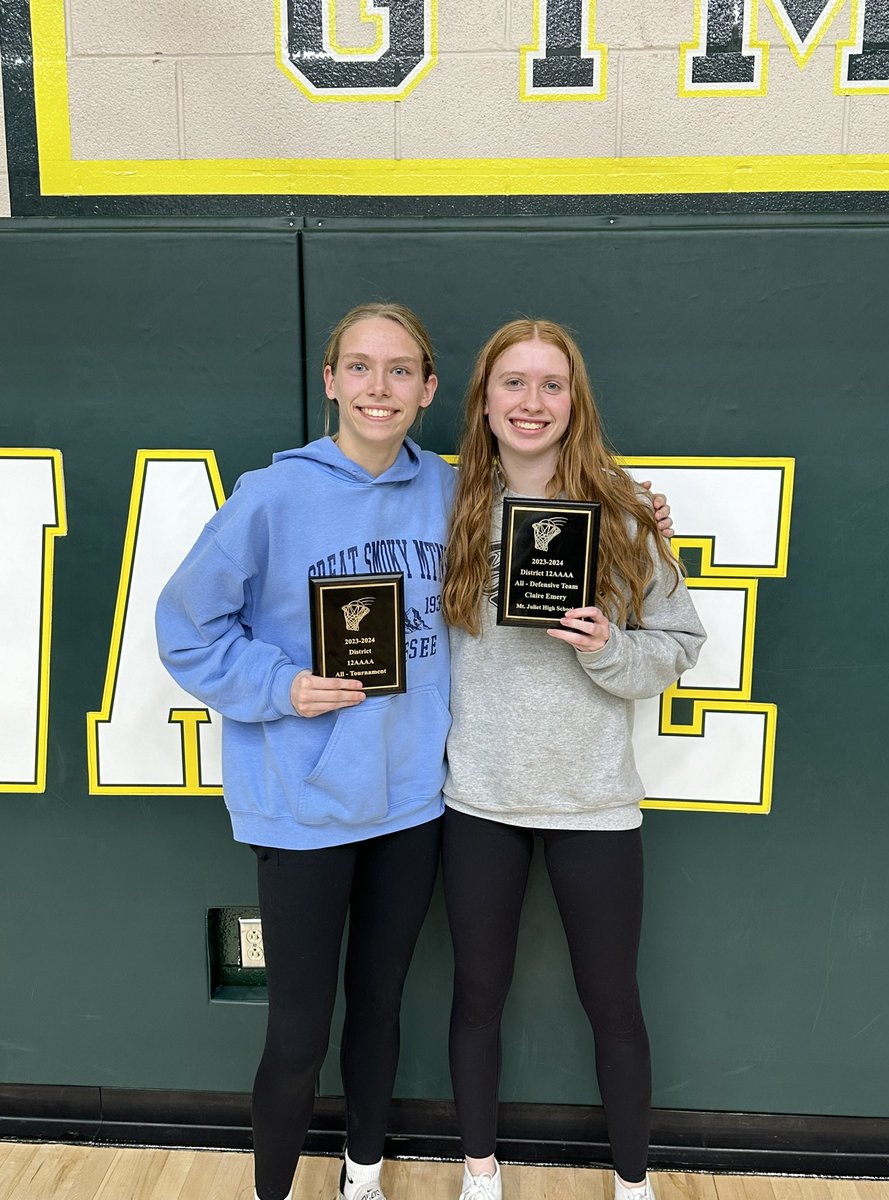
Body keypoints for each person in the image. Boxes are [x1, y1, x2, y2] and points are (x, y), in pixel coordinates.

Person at [156, 303, 675, 1200]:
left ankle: (362, 1174)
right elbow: (187, 629)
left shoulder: (453, 491)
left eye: (400, 370)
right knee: (298, 1036)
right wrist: (280, 686)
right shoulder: (273, 497)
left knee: (381, 1007)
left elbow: (568, 515)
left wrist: (635, 513)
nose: (379, 387)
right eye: (360, 367)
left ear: (430, 389)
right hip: (309, 803)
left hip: (412, 805)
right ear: (330, 380)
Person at [440, 319, 707, 1200]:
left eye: (551, 384)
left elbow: (678, 644)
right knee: (477, 996)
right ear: (484, 401)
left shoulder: (625, 516)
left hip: (594, 803)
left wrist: (607, 648)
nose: (532, 401)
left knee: (613, 1003)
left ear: (575, 401)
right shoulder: (443, 508)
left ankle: (633, 1183)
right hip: (479, 800)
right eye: (513, 383)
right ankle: (481, 1172)